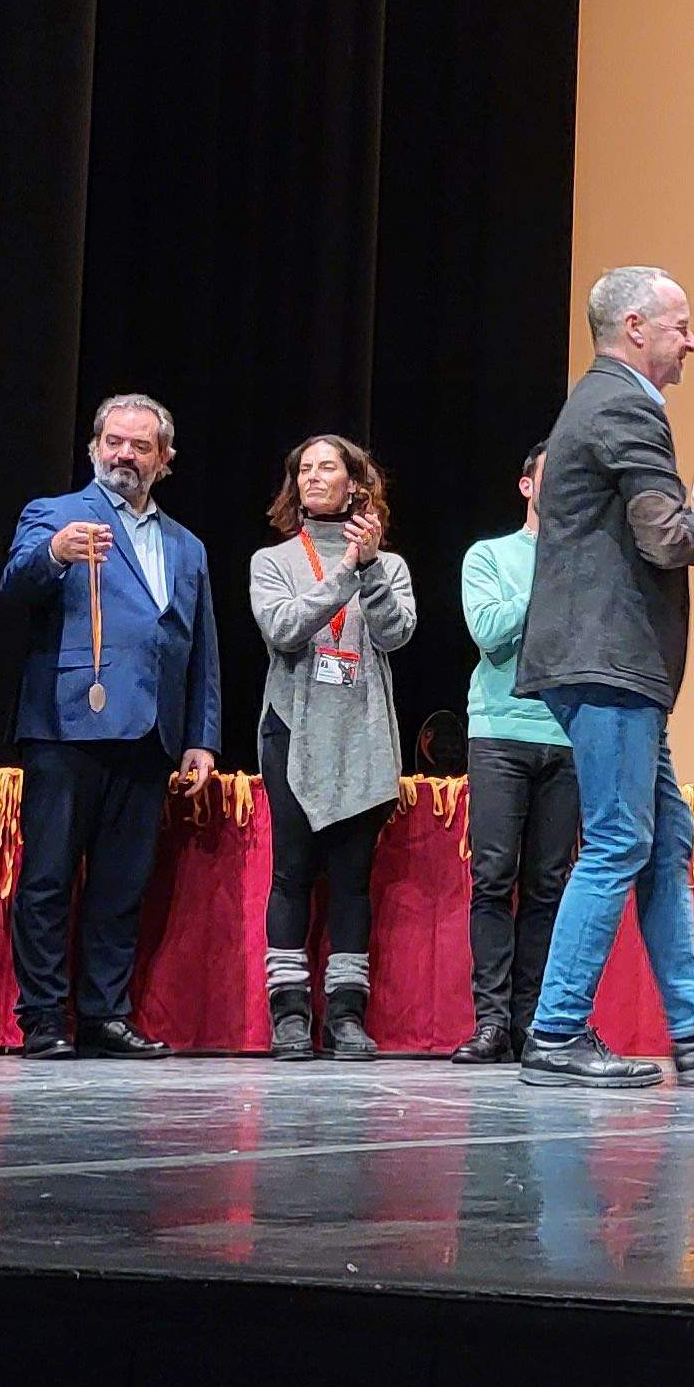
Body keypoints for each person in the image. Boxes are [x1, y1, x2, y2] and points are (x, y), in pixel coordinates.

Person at [511, 265, 694, 1086]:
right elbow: (667, 540)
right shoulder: (627, 404)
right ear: (636, 327)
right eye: (681, 325)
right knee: (617, 842)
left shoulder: (596, 401)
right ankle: (556, 1031)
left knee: (664, 838)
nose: (693, 341)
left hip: (606, 661)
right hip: (608, 660)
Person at [0, 395, 220, 1060]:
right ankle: (42, 1016)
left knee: (123, 887)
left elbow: (198, 645)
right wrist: (56, 555)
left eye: (140, 446)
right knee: (48, 879)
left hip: (150, 732)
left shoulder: (187, 545)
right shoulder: (56, 515)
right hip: (67, 724)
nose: (125, 454)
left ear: (165, 459)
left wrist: (201, 736)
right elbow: (15, 584)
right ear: (94, 446)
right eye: (114, 442)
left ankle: (104, 1013)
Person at [249, 435, 419, 1061]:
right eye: (305, 469)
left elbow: (397, 635)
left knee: (352, 882)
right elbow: (285, 629)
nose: (315, 477)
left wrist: (371, 569)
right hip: (292, 732)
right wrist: (347, 569)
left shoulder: (390, 565)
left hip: (363, 734)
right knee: (291, 872)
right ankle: (289, 1014)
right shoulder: (273, 560)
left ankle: (346, 1016)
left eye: (329, 467)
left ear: (355, 483)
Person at [449, 444, 574, 1066]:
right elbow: (490, 630)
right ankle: (492, 1020)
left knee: (549, 887)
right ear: (527, 485)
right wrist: (551, 577)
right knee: (494, 879)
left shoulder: (590, 563)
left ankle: (535, 1022)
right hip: (501, 732)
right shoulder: (490, 556)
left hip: (570, 737)